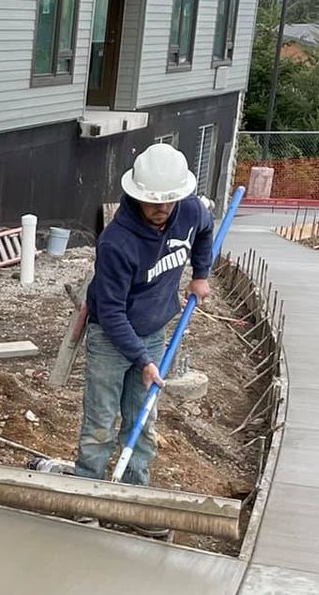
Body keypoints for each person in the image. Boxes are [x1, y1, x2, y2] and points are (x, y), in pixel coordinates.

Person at [75, 141, 215, 493]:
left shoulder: (189, 210)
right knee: (100, 425)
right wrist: (143, 361)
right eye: (153, 201)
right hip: (111, 339)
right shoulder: (116, 243)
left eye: (169, 200)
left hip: (154, 331)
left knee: (142, 422)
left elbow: (206, 230)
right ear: (137, 195)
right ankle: (85, 495)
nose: (162, 208)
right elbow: (110, 312)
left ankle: (135, 495)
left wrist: (201, 274)